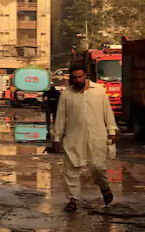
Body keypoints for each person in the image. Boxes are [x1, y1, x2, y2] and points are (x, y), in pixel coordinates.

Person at [53, 66, 118, 212]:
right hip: (74, 138)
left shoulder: (99, 90)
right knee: (71, 169)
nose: (77, 80)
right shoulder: (67, 94)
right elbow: (61, 117)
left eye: (80, 77)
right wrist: (57, 137)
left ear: (85, 76)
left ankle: (105, 187)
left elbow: (107, 111)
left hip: (97, 137)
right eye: (74, 77)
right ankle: (72, 200)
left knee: (98, 167)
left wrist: (112, 130)